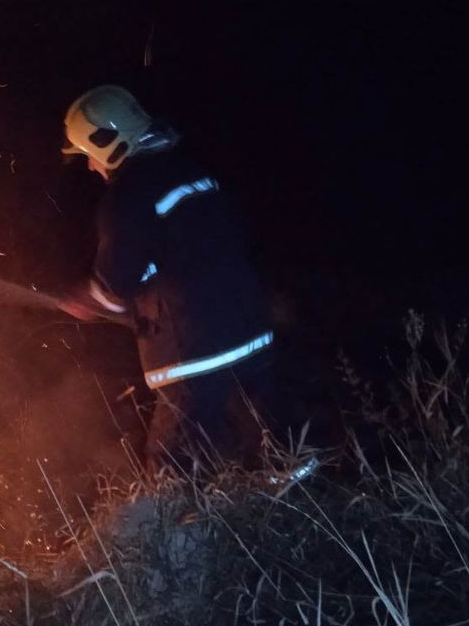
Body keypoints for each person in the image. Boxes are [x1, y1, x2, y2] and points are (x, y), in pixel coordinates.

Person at [58, 84, 303, 476]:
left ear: (107, 143)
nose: (90, 166)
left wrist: (89, 298)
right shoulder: (193, 171)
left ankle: (172, 515)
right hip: (250, 334)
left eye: (88, 155)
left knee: (171, 470)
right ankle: (304, 502)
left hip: (195, 354)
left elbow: (116, 281)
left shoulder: (128, 196)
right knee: (279, 449)